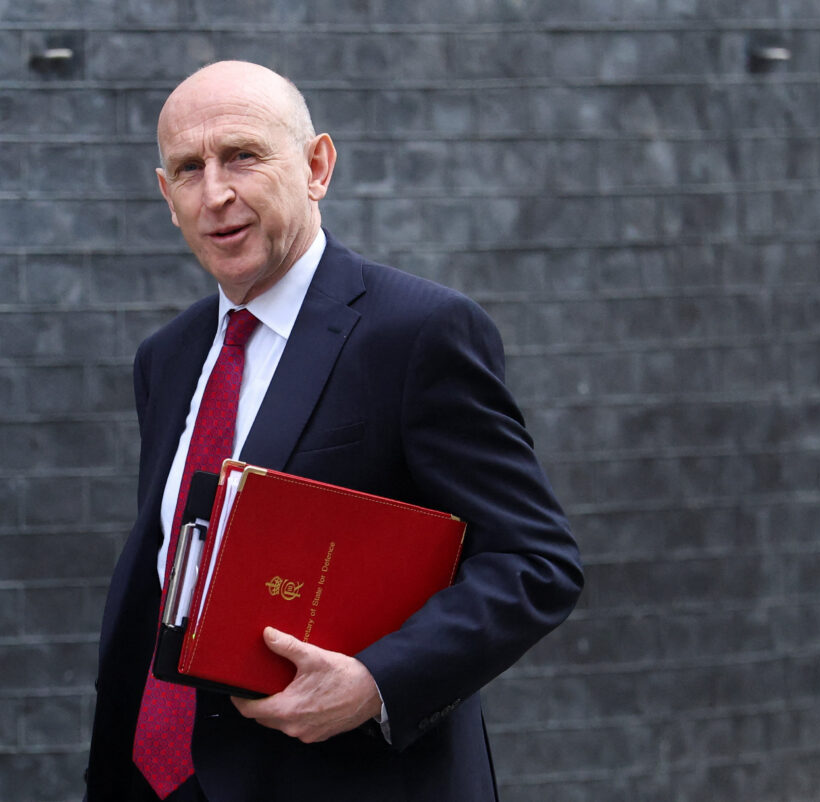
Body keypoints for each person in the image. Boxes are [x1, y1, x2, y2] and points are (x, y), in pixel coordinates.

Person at [85, 60, 583, 802]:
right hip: (166, 779)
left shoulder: (417, 334)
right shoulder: (167, 358)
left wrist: (376, 683)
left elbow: (535, 563)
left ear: (317, 166)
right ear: (167, 197)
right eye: (189, 169)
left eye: (244, 156)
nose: (216, 193)